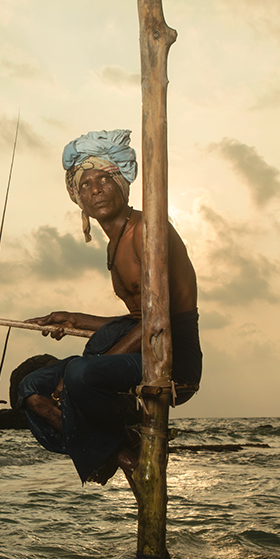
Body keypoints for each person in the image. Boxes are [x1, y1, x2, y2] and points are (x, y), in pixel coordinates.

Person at [17, 129, 202, 498]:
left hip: (171, 358)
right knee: (30, 388)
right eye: (85, 184)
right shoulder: (115, 242)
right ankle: (124, 455)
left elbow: (157, 320)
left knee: (81, 372)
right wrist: (72, 318)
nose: (96, 188)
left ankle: (113, 445)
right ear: (77, 197)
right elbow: (138, 319)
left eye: (105, 178)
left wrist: (78, 376)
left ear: (122, 184)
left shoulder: (146, 231)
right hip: (142, 344)